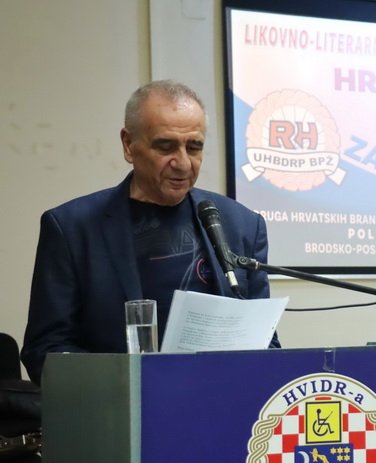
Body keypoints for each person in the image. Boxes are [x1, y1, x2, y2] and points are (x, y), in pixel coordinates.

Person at [20, 80, 279, 384]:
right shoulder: (72, 228)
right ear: (128, 144)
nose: (183, 163)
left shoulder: (242, 224)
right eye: (165, 146)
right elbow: (44, 351)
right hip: (116, 405)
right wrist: (133, 383)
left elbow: (266, 343)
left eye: (194, 147)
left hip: (219, 400)